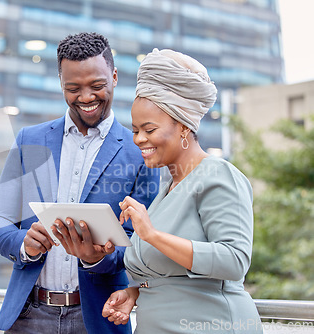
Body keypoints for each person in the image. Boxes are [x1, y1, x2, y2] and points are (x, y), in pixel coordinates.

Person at [0, 32, 160, 333]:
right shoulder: (31, 140)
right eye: (73, 88)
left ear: (115, 76)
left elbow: (142, 247)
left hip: (98, 317)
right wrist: (24, 244)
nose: (86, 97)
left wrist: (96, 259)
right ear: (61, 85)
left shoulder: (141, 153)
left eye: (97, 85)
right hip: (28, 315)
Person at [102, 48, 263, 333]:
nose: (138, 139)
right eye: (135, 129)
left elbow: (234, 261)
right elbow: (170, 276)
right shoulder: (167, 188)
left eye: (149, 129)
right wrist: (136, 293)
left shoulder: (218, 175)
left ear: (183, 128)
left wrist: (150, 234)